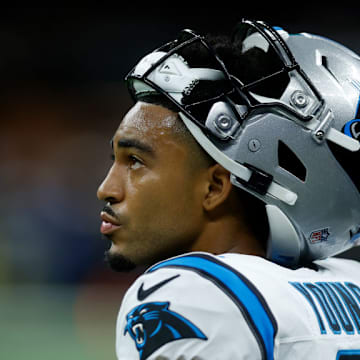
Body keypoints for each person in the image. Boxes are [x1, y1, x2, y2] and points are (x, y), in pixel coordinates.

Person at [97, 18, 360, 359]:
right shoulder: (352, 283)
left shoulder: (194, 293)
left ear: (215, 187)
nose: (106, 189)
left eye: (135, 161)